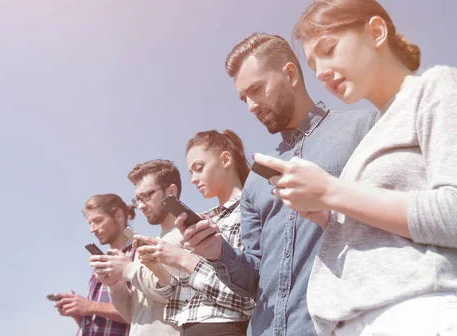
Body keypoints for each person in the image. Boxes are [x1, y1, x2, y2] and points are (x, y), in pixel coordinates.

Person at [252, 0, 457, 335]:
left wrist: (331, 191)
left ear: (376, 32)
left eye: (329, 49)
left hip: (415, 315)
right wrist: (326, 215)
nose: (320, 71)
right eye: (313, 64)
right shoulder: (374, 132)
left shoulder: (439, 86)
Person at [177, 33, 378, 335]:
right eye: (244, 98)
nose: (250, 106)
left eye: (256, 90)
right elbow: (253, 278)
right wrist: (218, 252)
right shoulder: (258, 176)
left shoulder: (365, 129)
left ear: (291, 74)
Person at [136, 130, 255, 336]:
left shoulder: (250, 211)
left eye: (199, 168)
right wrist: (157, 267)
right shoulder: (203, 219)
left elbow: (247, 300)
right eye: (190, 172)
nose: (192, 179)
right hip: (188, 328)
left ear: (226, 159)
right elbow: (179, 294)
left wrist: (185, 260)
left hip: (225, 328)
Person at [89, 160, 183, 335]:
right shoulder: (147, 245)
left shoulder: (189, 236)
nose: (140, 206)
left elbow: (176, 296)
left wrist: (128, 269)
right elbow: (133, 315)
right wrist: (114, 284)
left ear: (171, 191)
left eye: (147, 195)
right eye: (138, 198)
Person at [52, 194, 132, 336]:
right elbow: (100, 319)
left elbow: (142, 311)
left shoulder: (139, 254)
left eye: (98, 220)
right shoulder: (102, 261)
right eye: (90, 223)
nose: (92, 229)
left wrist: (90, 306)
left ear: (119, 215)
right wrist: (78, 311)